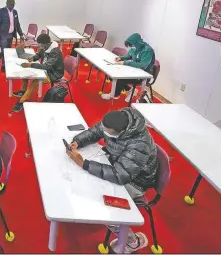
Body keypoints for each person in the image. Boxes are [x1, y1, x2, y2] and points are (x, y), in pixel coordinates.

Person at [66, 108, 158, 254]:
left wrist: (85, 164)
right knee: (85, 182)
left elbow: (120, 175)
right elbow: (96, 131)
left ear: (120, 132)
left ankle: (133, 241)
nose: (104, 131)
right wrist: (78, 141)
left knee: (106, 209)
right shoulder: (116, 120)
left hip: (136, 181)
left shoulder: (139, 144)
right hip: (117, 163)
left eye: (108, 131)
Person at [11, 33, 64, 112]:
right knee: (26, 74)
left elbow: (47, 66)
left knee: (35, 82)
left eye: (40, 45)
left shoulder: (55, 52)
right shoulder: (45, 47)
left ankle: (21, 102)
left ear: (46, 44)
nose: (38, 46)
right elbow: (39, 55)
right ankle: (22, 91)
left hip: (53, 74)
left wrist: (30, 64)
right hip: (45, 70)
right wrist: (33, 58)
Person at [103, 33, 155, 103]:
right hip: (134, 70)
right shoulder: (134, 48)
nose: (131, 47)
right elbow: (129, 56)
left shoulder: (147, 50)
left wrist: (125, 63)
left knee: (119, 77)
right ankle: (131, 90)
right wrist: (121, 58)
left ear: (137, 43)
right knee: (111, 75)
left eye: (132, 45)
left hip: (143, 75)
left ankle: (115, 95)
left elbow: (143, 65)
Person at [0, 0, 24, 75]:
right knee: (4, 51)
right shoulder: (0, 11)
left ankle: (4, 66)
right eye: (10, 5)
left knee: (7, 52)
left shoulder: (15, 12)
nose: (12, 6)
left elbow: (17, 24)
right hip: (3, 35)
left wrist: (21, 34)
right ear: (6, 4)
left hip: (11, 35)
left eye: (13, 5)